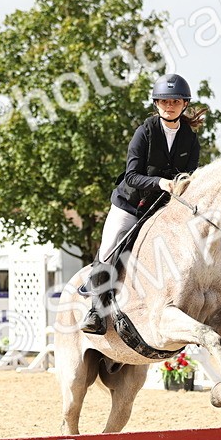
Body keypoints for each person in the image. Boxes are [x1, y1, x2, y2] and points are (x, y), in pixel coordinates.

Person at [80, 73, 202, 335]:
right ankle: (96, 311)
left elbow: (189, 179)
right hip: (129, 205)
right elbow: (132, 175)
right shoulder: (145, 131)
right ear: (156, 104)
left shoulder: (190, 140)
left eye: (176, 102)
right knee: (110, 247)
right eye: (164, 102)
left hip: (159, 210)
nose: (170, 106)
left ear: (184, 104)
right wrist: (161, 183)